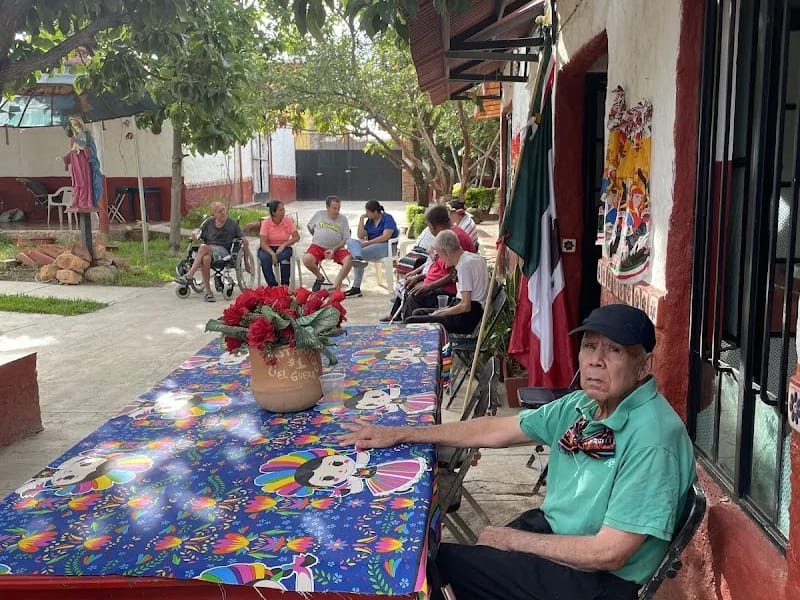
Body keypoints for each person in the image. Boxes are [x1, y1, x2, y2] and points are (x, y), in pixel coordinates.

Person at [341, 304, 696, 600]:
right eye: (589, 346)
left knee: (433, 568)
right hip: (559, 533)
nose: (595, 361)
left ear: (643, 365)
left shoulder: (653, 439)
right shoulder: (583, 404)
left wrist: (515, 541)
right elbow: (498, 429)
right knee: (443, 554)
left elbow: (609, 553)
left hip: (599, 581)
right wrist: (403, 433)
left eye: (613, 350)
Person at [380, 204, 476, 323]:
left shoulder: (452, 237)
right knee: (410, 286)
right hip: (437, 284)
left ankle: (411, 331)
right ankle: (398, 317)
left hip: (449, 291)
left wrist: (429, 286)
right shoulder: (447, 234)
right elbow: (440, 266)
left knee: (414, 296)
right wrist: (420, 276)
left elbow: (453, 275)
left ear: (433, 226)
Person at [405, 230, 488, 334]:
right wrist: (442, 311)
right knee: (418, 313)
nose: (440, 259)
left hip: (467, 318)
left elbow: (466, 306)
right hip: (472, 311)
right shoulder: (474, 258)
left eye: (439, 254)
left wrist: (442, 312)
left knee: (411, 321)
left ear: (444, 252)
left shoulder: (464, 266)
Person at [174, 201, 252, 302]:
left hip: (223, 253)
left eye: (223, 210)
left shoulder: (232, 224)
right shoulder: (209, 222)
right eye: (219, 211)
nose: (223, 213)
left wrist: (246, 262)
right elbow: (198, 233)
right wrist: (194, 234)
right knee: (205, 259)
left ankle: (189, 275)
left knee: (202, 248)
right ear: (214, 214)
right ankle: (208, 292)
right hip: (209, 251)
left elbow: (245, 241)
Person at [343, 200, 399, 298]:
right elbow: (360, 235)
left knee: (358, 254)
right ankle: (358, 257)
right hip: (371, 247)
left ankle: (356, 287)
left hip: (386, 247)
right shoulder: (370, 220)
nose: (367, 214)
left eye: (368, 212)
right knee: (350, 241)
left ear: (376, 212)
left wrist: (367, 243)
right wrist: (361, 219)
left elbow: (385, 237)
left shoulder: (387, 218)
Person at [303, 195, 354, 292]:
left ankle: (335, 285)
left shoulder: (343, 219)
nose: (337, 211)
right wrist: (318, 236)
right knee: (306, 259)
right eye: (334, 208)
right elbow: (310, 227)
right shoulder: (319, 214)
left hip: (337, 248)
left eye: (338, 208)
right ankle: (319, 277)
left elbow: (346, 238)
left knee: (349, 260)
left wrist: (334, 249)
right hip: (318, 246)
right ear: (327, 207)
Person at [61, 115, 103, 210]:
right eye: (72, 124)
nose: (74, 126)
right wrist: (66, 158)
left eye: (75, 123)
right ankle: (77, 201)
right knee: (76, 183)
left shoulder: (86, 135)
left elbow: (91, 149)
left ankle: (84, 201)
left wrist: (82, 148)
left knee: (84, 182)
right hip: (76, 164)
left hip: (84, 163)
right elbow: (73, 152)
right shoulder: (74, 137)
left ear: (80, 123)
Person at [258, 200, 300, 286]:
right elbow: (262, 243)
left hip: (284, 248)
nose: (283, 212)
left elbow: (297, 237)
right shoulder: (266, 223)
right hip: (268, 248)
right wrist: (272, 254)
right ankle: (273, 285)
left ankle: (285, 285)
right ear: (273, 212)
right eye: (280, 210)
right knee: (265, 258)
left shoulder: (288, 221)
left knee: (285, 257)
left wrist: (284, 245)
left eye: (283, 209)